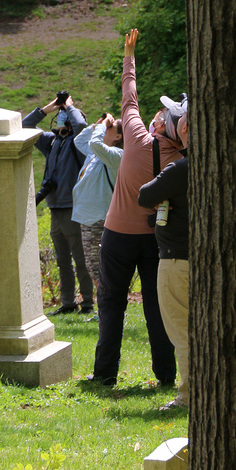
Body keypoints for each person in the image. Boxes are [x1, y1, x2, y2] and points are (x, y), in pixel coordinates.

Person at [88, 29, 185, 386]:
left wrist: (129, 57)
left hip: (117, 236)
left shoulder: (136, 137)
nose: (155, 113)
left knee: (111, 301)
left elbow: (129, 100)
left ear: (159, 124)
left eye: (161, 112)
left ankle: (104, 375)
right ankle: (165, 375)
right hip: (156, 239)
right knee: (155, 308)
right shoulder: (182, 158)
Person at [23, 92, 94, 315]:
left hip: (73, 208)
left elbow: (82, 125)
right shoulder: (50, 142)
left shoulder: (80, 143)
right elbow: (24, 127)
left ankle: (88, 304)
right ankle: (68, 303)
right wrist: (50, 108)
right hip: (55, 207)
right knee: (63, 261)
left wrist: (70, 106)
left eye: (66, 116)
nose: (63, 118)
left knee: (80, 260)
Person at [138, 109, 189, 409]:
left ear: (184, 129)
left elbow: (145, 195)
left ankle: (190, 395)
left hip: (176, 263)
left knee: (182, 331)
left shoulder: (179, 169)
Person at [72, 113, 124, 289]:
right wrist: (97, 126)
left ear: (118, 137)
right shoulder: (97, 153)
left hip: (99, 218)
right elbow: (79, 142)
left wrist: (102, 128)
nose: (105, 128)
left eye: (110, 127)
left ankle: (108, 310)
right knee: (94, 268)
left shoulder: (117, 155)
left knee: (99, 268)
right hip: (88, 218)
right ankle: (105, 310)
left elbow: (94, 143)